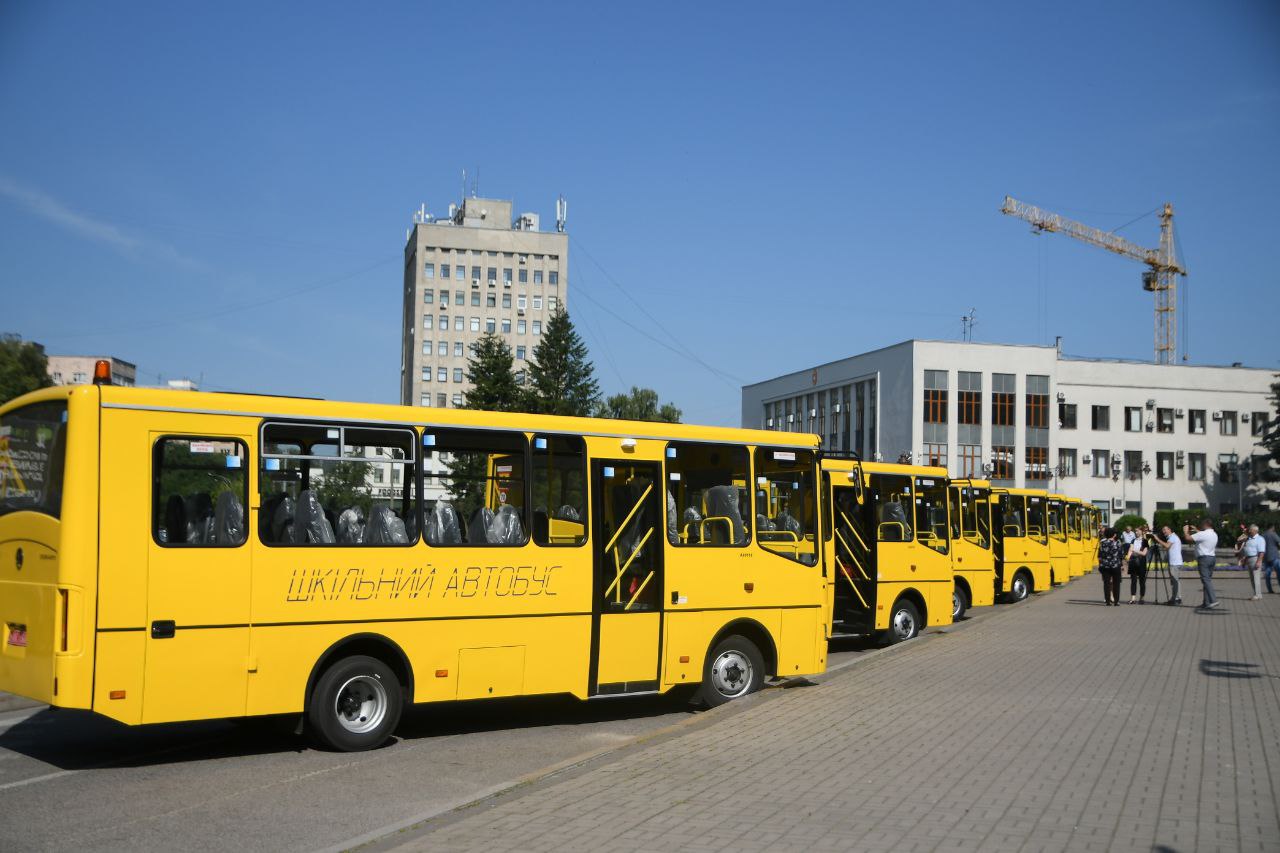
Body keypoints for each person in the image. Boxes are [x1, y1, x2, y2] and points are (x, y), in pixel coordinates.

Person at [1185, 519, 1220, 610]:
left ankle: (1213, 600)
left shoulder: (1203, 534)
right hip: (1212, 557)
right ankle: (1206, 603)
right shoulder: (1214, 534)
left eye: (1202, 524)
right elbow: (1203, 535)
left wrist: (1185, 531)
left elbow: (1188, 538)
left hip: (1204, 559)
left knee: (1206, 580)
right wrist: (1196, 530)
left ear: (1205, 524)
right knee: (1207, 580)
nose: (1201, 525)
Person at [1154, 524, 1184, 605]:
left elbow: (1167, 546)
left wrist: (1157, 539)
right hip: (1175, 562)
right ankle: (1175, 598)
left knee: (1175, 581)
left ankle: (1177, 599)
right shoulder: (1172, 537)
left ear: (1169, 529)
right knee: (1174, 581)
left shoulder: (1172, 537)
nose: (1163, 532)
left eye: (1165, 529)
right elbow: (1167, 547)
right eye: (1163, 530)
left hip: (1175, 563)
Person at [1097, 527, 1124, 606]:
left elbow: (1099, 555)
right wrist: (1121, 564)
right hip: (1115, 565)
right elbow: (1121, 555)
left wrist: (1101, 563)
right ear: (1114, 535)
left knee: (1106, 584)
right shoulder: (1117, 543)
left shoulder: (1102, 543)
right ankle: (1116, 601)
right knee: (1116, 584)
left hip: (1105, 566)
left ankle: (1108, 601)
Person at [1241, 524, 1266, 601]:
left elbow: (1261, 552)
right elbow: (1246, 550)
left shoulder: (1260, 539)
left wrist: (1259, 561)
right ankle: (1257, 594)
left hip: (1255, 558)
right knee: (1252, 578)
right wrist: (1244, 561)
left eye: (1250, 529)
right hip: (1249, 558)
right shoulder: (1248, 539)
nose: (1249, 531)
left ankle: (1257, 595)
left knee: (1256, 578)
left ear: (1255, 530)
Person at [1126, 526, 1149, 604]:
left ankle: (1142, 598)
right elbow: (1130, 550)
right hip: (1133, 561)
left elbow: (1144, 553)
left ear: (1142, 532)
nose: (1136, 532)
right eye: (1135, 531)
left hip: (1141, 562)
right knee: (1133, 580)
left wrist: (1135, 550)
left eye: (1138, 531)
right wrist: (1128, 557)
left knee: (1142, 581)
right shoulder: (1133, 540)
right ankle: (1133, 598)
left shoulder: (1145, 541)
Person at [1263, 523, 1280, 595]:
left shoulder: (1263, 535)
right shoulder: (1273, 534)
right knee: (1279, 573)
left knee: (1267, 574)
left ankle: (1269, 589)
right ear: (1272, 527)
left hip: (1266, 556)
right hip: (1274, 556)